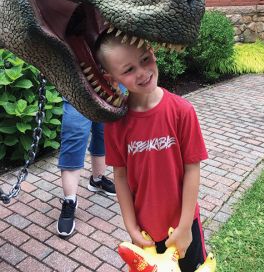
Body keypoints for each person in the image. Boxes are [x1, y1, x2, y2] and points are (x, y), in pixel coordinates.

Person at [96, 34, 208, 272]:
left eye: (145, 59)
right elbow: (121, 176)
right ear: (111, 78)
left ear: (153, 53)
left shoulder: (182, 111)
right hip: (146, 232)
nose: (142, 72)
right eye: (128, 69)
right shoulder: (116, 123)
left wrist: (186, 225)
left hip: (184, 226)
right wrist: (131, 226)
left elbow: (192, 169)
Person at [56, 100, 116, 237]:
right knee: (74, 134)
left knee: (104, 132)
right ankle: (70, 200)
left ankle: (97, 180)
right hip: (78, 87)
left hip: (111, 87)